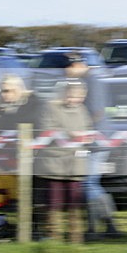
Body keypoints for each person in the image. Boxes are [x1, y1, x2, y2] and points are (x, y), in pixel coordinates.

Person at [64, 52, 120, 240]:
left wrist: (81, 131)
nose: (65, 72)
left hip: (94, 140)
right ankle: (107, 225)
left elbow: (96, 112)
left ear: (75, 65)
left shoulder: (91, 82)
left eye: (67, 68)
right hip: (96, 138)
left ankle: (98, 226)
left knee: (89, 183)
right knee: (90, 183)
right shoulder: (93, 79)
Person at [35, 80, 93, 242]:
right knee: (54, 202)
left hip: (75, 163)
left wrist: (87, 136)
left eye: (79, 96)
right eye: (71, 95)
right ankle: (53, 235)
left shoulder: (82, 110)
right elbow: (45, 130)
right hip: (54, 163)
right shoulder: (50, 108)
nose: (74, 99)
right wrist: (69, 134)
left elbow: (88, 127)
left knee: (74, 201)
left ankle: (76, 237)